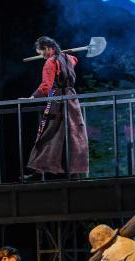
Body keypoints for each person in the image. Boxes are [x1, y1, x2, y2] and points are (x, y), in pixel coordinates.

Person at [24, 36, 88, 178]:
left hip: (57, 100)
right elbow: (75, 60)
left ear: (47, 48)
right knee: (73, 135)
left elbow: (46, 87)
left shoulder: (50, 62)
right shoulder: (69, 58)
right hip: (72, 100)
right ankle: (74, 173)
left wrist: (33, 97)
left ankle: (37, 170)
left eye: (41, 52)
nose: (42, 56)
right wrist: (60, 56)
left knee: (47, 133)